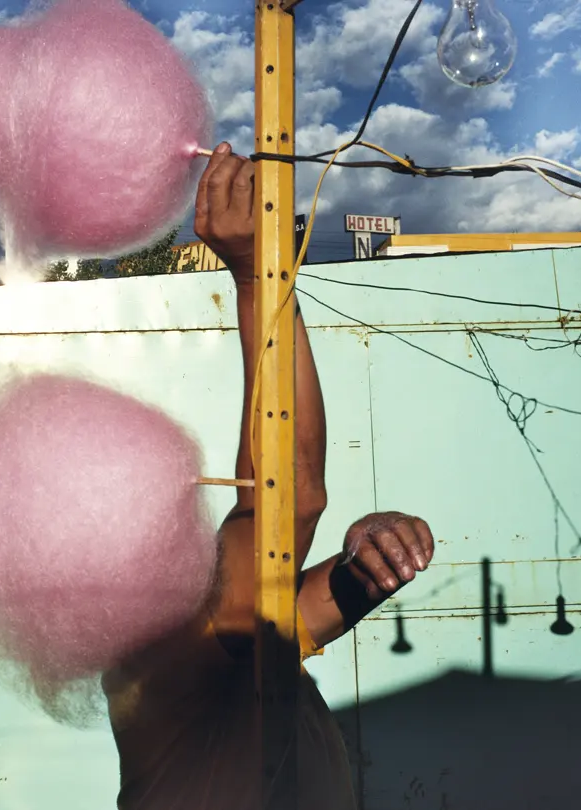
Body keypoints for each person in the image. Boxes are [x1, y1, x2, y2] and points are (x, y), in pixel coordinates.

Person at [101, 143, 436, 810]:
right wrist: (258, 277)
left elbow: (320, 598)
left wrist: (375, 545)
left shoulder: (231, 646)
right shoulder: (163, 654)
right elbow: (289, 496)